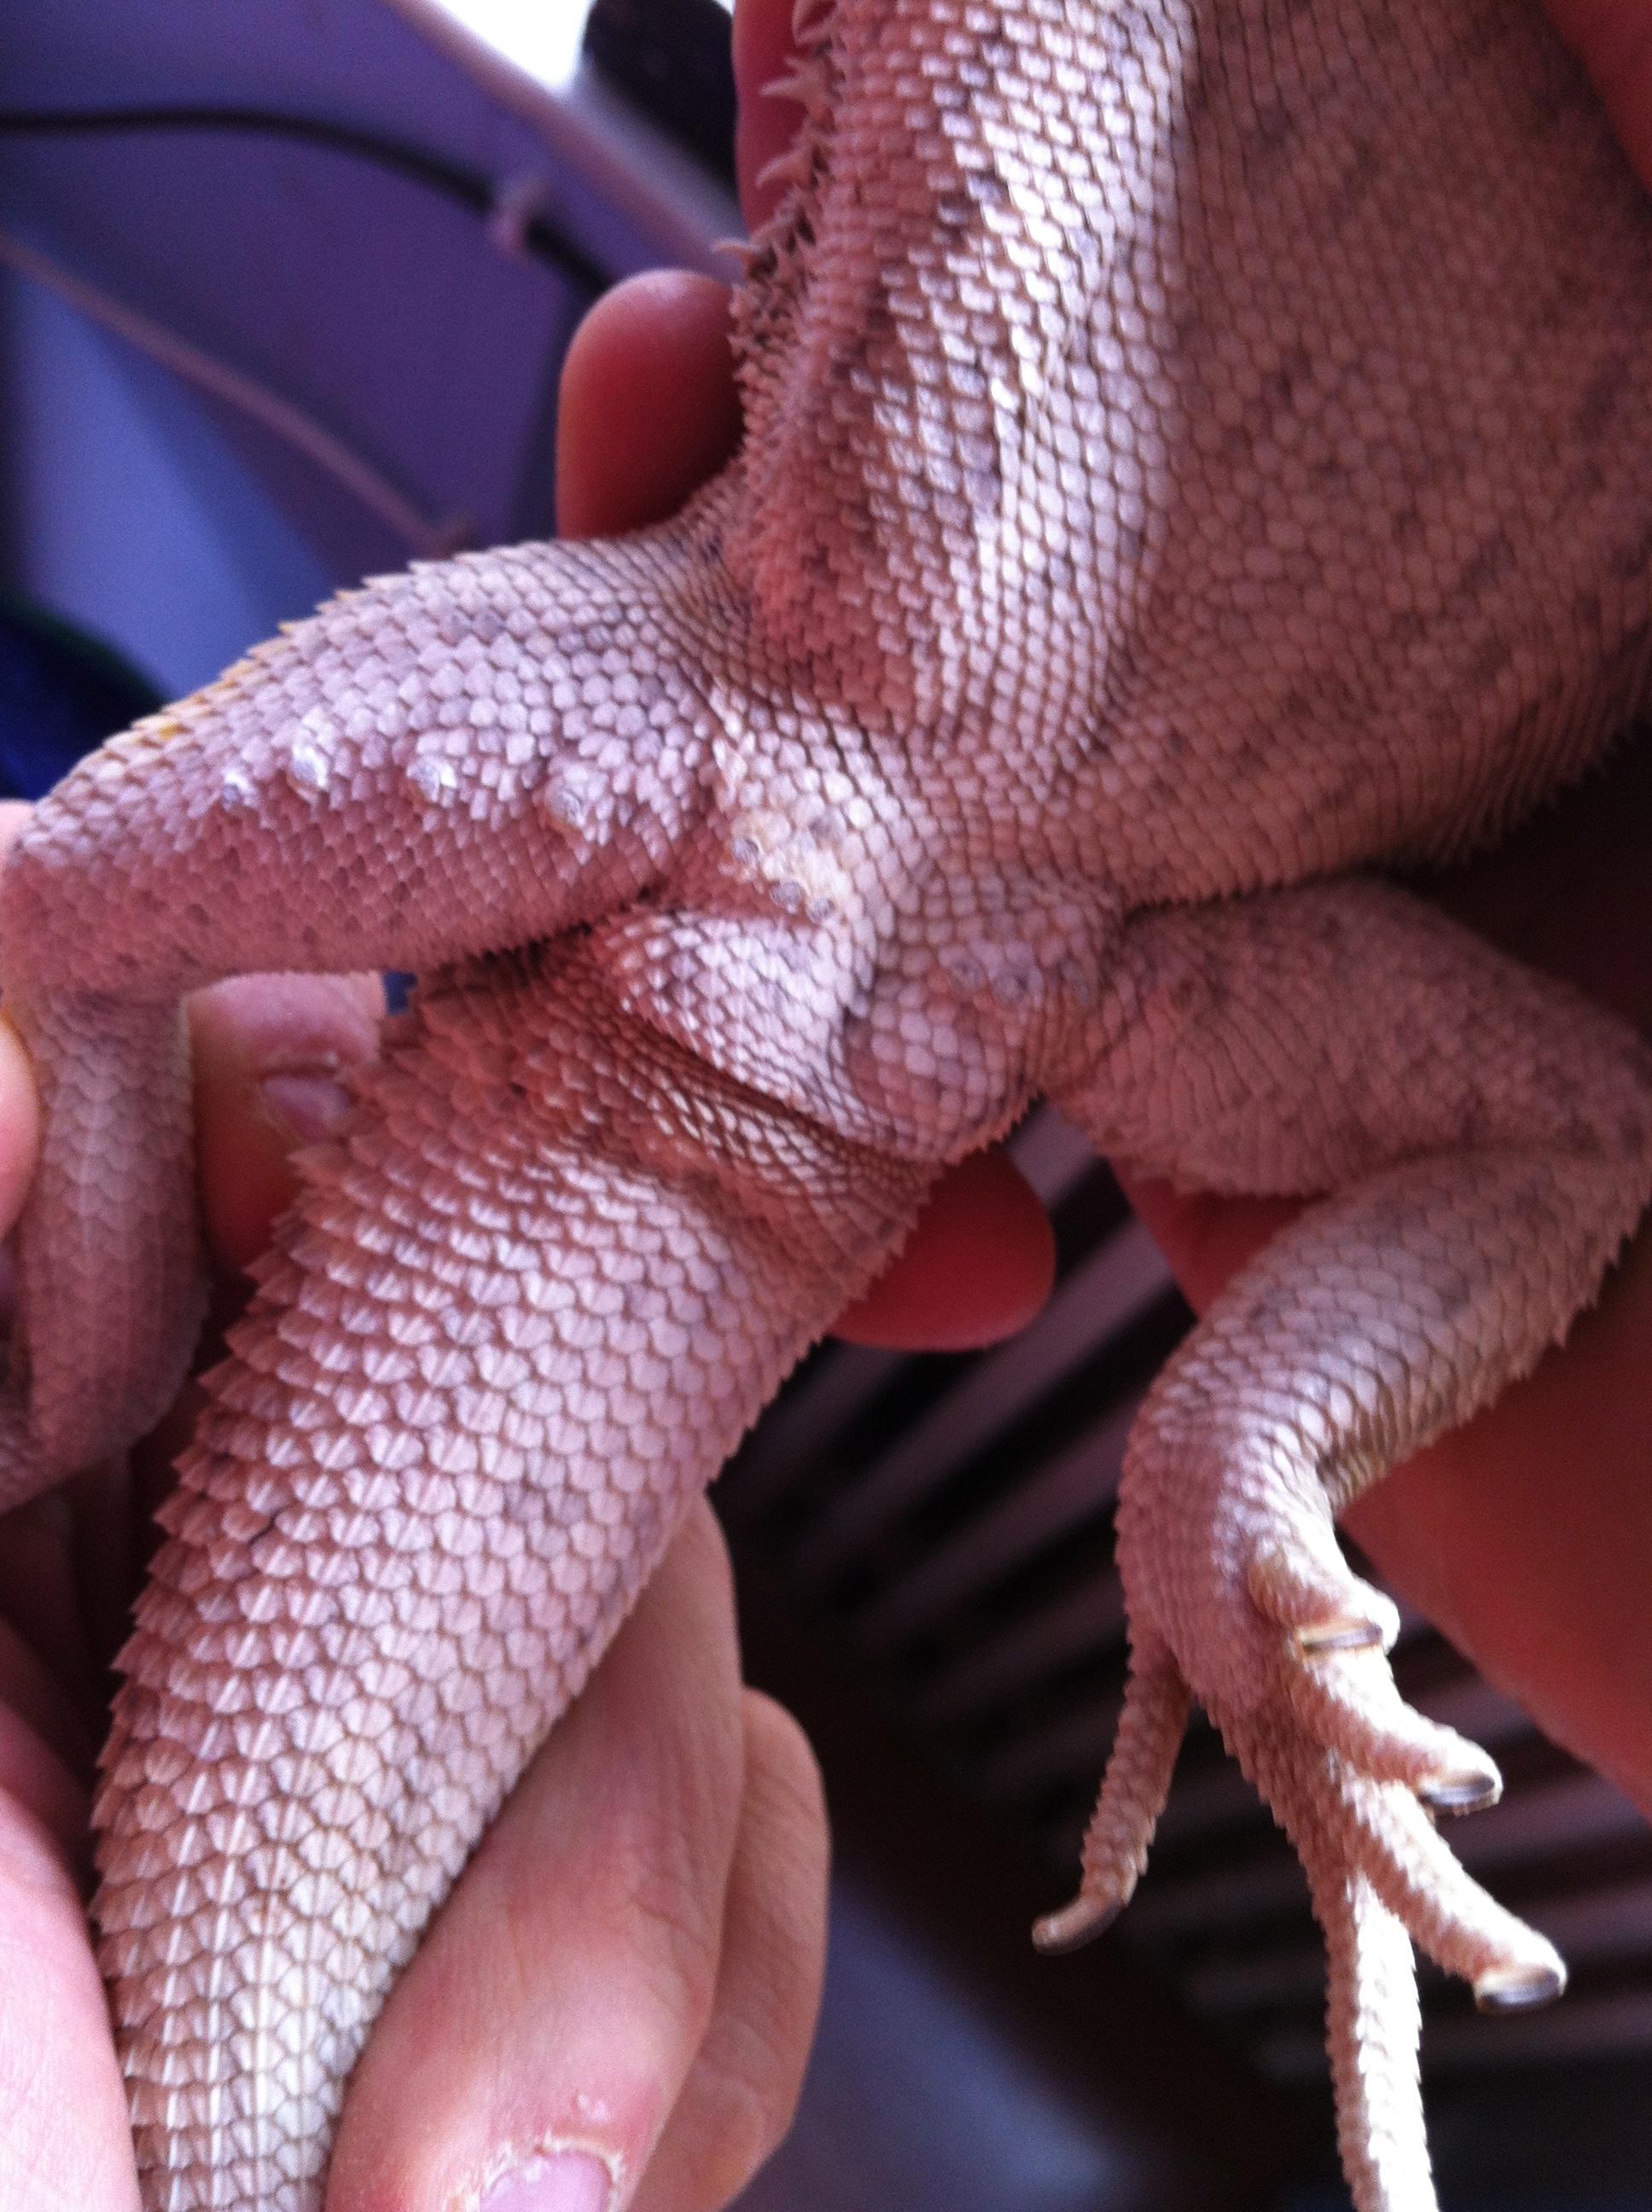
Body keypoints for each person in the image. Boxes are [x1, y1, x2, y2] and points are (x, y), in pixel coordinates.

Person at [0, 1, 1647, 2204]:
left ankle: (1230, 1473)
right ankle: (84, 1367)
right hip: (867, 737)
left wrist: (1266, 1432)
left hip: (1025, 847)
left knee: (75, 913)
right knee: (70, 914)